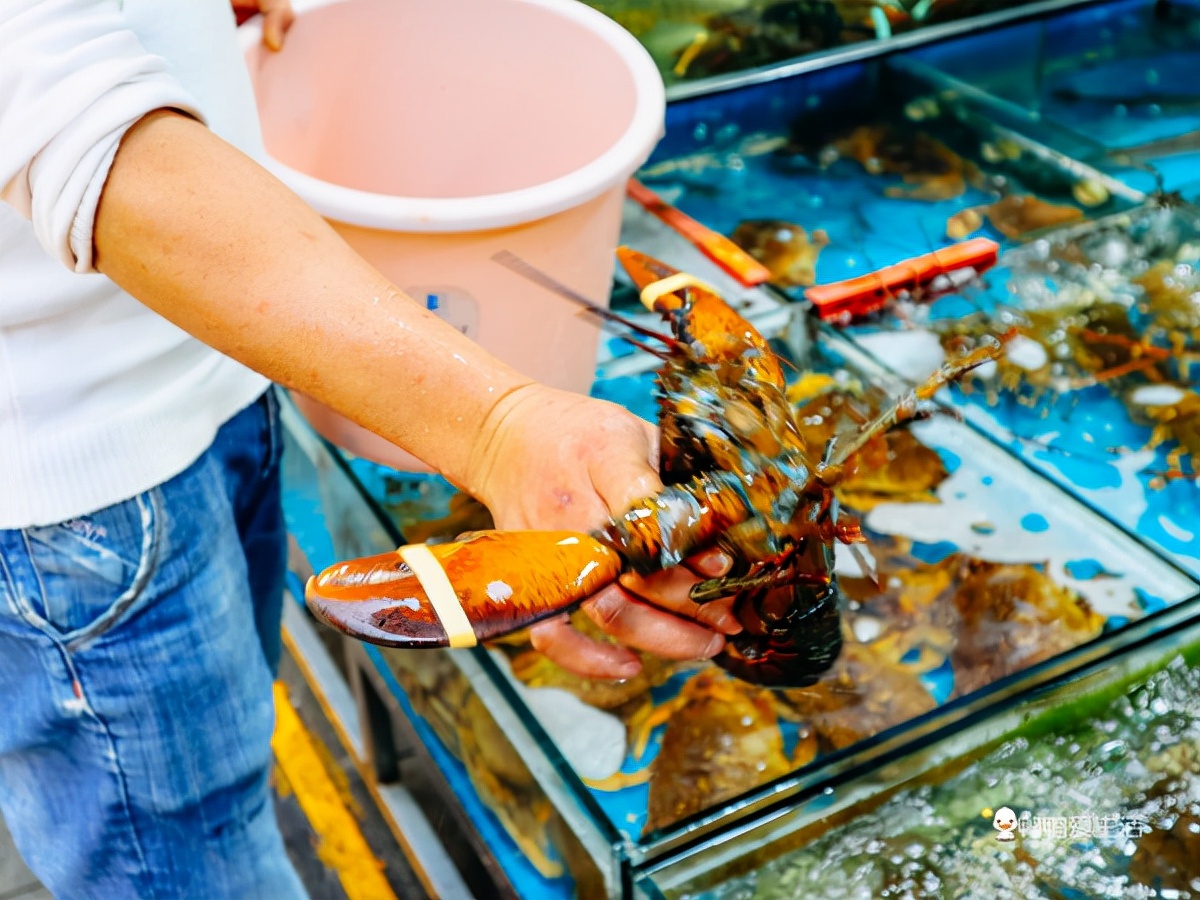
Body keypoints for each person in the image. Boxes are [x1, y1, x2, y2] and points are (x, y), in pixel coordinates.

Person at [0, 0, 741, 896]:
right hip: (75, 479)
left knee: (228, 764)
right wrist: (495, 423)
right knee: (187, 858)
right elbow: (68, 121)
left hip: (218, 367)